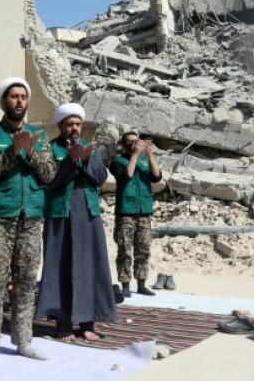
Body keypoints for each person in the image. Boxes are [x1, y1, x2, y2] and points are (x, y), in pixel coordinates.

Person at [0, 77, 56, 366]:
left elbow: (49, 174)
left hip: (31, 216)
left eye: (23, 96)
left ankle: (23, 341)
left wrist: (30, 152)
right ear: (3, 101)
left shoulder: (39, 135)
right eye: (13, 96)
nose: (19, 101)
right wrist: (12, 152)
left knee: (25, 281)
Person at [35, 103, 115, 341]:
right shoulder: (48, 149)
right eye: (69, 124)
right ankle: (63, 324)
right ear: (60, 126)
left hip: (87, 215)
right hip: (60, 214)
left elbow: (100, 178)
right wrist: (70, 161)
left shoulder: (91, 149)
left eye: (77, 124)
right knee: (60, 267)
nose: (74, 128)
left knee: (90, 266)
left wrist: (88, 159)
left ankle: (88, 323)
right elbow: (49, 181)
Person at [109, 131, 162, 298]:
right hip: (126, 211)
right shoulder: (117, 162)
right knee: (124, 248)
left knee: (143, 248)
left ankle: (141, 283)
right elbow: (126, 176)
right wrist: (135, 154)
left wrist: (150, 153)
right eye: (130, 142)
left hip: (144, 210)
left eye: (136, 141)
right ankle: (125, 283)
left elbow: (157, 177)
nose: (134, 144)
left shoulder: (145, 161)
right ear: (124, 145)